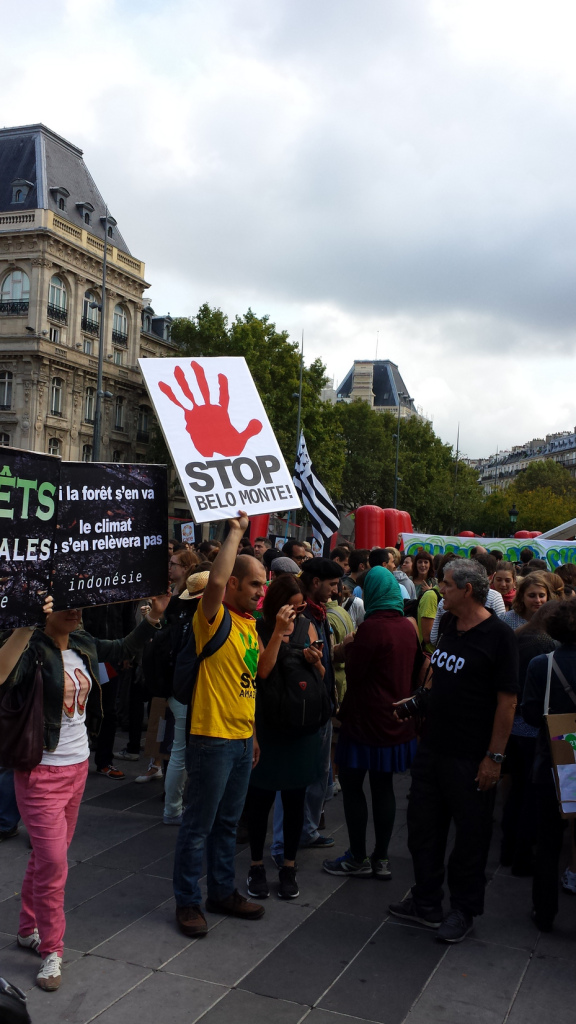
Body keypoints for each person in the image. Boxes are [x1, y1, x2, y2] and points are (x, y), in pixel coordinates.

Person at [0, 591, 169, 991]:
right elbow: (2, 676)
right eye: (67, 605)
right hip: (40, 773)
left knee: (45, 860)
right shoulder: (30, 648)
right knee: (55, 864)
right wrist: (25, 623)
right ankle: (52, 949)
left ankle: (27, 928)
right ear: (46, 610)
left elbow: (123, 648)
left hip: (77, 769)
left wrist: (154, 617)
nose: (77, 611)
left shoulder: (83, 641)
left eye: (79, 605)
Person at [389, 559, 519, 943]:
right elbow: (442, 679)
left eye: (446, 585)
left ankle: (463, 909)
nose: (439, 590)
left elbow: (507, 702)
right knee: (422, 828)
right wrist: (417, 702)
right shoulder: (447, 624)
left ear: (467, 590)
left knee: (470, 837)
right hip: (433, 749)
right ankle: (426, 901)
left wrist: (494, 758)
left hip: (471, 756)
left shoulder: (498, 636)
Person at [172, 513, 267, 939]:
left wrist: (253, 736)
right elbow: (211, 584)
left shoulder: (250, 626)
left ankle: (223, 891)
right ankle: (188, 902)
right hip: (210, 739)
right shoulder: (212, 616)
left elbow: (251, 681)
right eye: (254, 584)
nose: (261, 592)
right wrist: (235, 533)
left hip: (241, 740)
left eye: (263, 585)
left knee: (229, 824)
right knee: (198, 827)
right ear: (233, 584)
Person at [323, 567, 419, 878]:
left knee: (352, 786)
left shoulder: (371, 629)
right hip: (395, 720)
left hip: (364, 720)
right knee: (383, 787)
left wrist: (348, 646)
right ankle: (382, 858)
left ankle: (358, 856)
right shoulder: (408, 626)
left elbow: (354, 672)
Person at [245, 576, 324, 900]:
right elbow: (262, 670)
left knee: (294, 800)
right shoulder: (258, 628)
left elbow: (320, 677)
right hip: (268, 723)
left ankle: (288, 867)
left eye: (301, 605)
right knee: (260, 799)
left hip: (300, 725)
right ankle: (256, 865)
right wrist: (278, 631)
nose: (297, 611)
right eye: (292, 606)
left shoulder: (308, 625)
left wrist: (316, 662)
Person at [270, 557, 343, 861]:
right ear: (316, 583)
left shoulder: (319, 617)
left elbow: (322, 666)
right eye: (332, 584)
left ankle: (307, 831)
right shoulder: (295, 622)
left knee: (317, 772)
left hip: (319, 705)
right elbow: (271, 669)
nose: (336, 591)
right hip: (293, 710)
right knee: (290, 780)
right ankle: (281, 845)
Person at [522, 601, 576, 931]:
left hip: (554, 758)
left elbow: (530, 715)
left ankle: (545, 912)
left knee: (548, 841)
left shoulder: (542, 664)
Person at [500, 603, 557, 875]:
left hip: (515, 727)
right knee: (530, 796)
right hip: (533, 730)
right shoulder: (546, 647)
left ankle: (508, 850)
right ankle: (522, 857)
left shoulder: (521, 636)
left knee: (517, 791)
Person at [135, 547, 199, 784]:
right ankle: (157, 763)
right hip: (165, 669)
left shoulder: (187, 598)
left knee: (176, 732)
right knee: (162, 720)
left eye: (174, 563)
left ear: (185, 568)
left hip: (175, 673)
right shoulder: (171, 593)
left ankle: (165, 771)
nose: (169, 567)